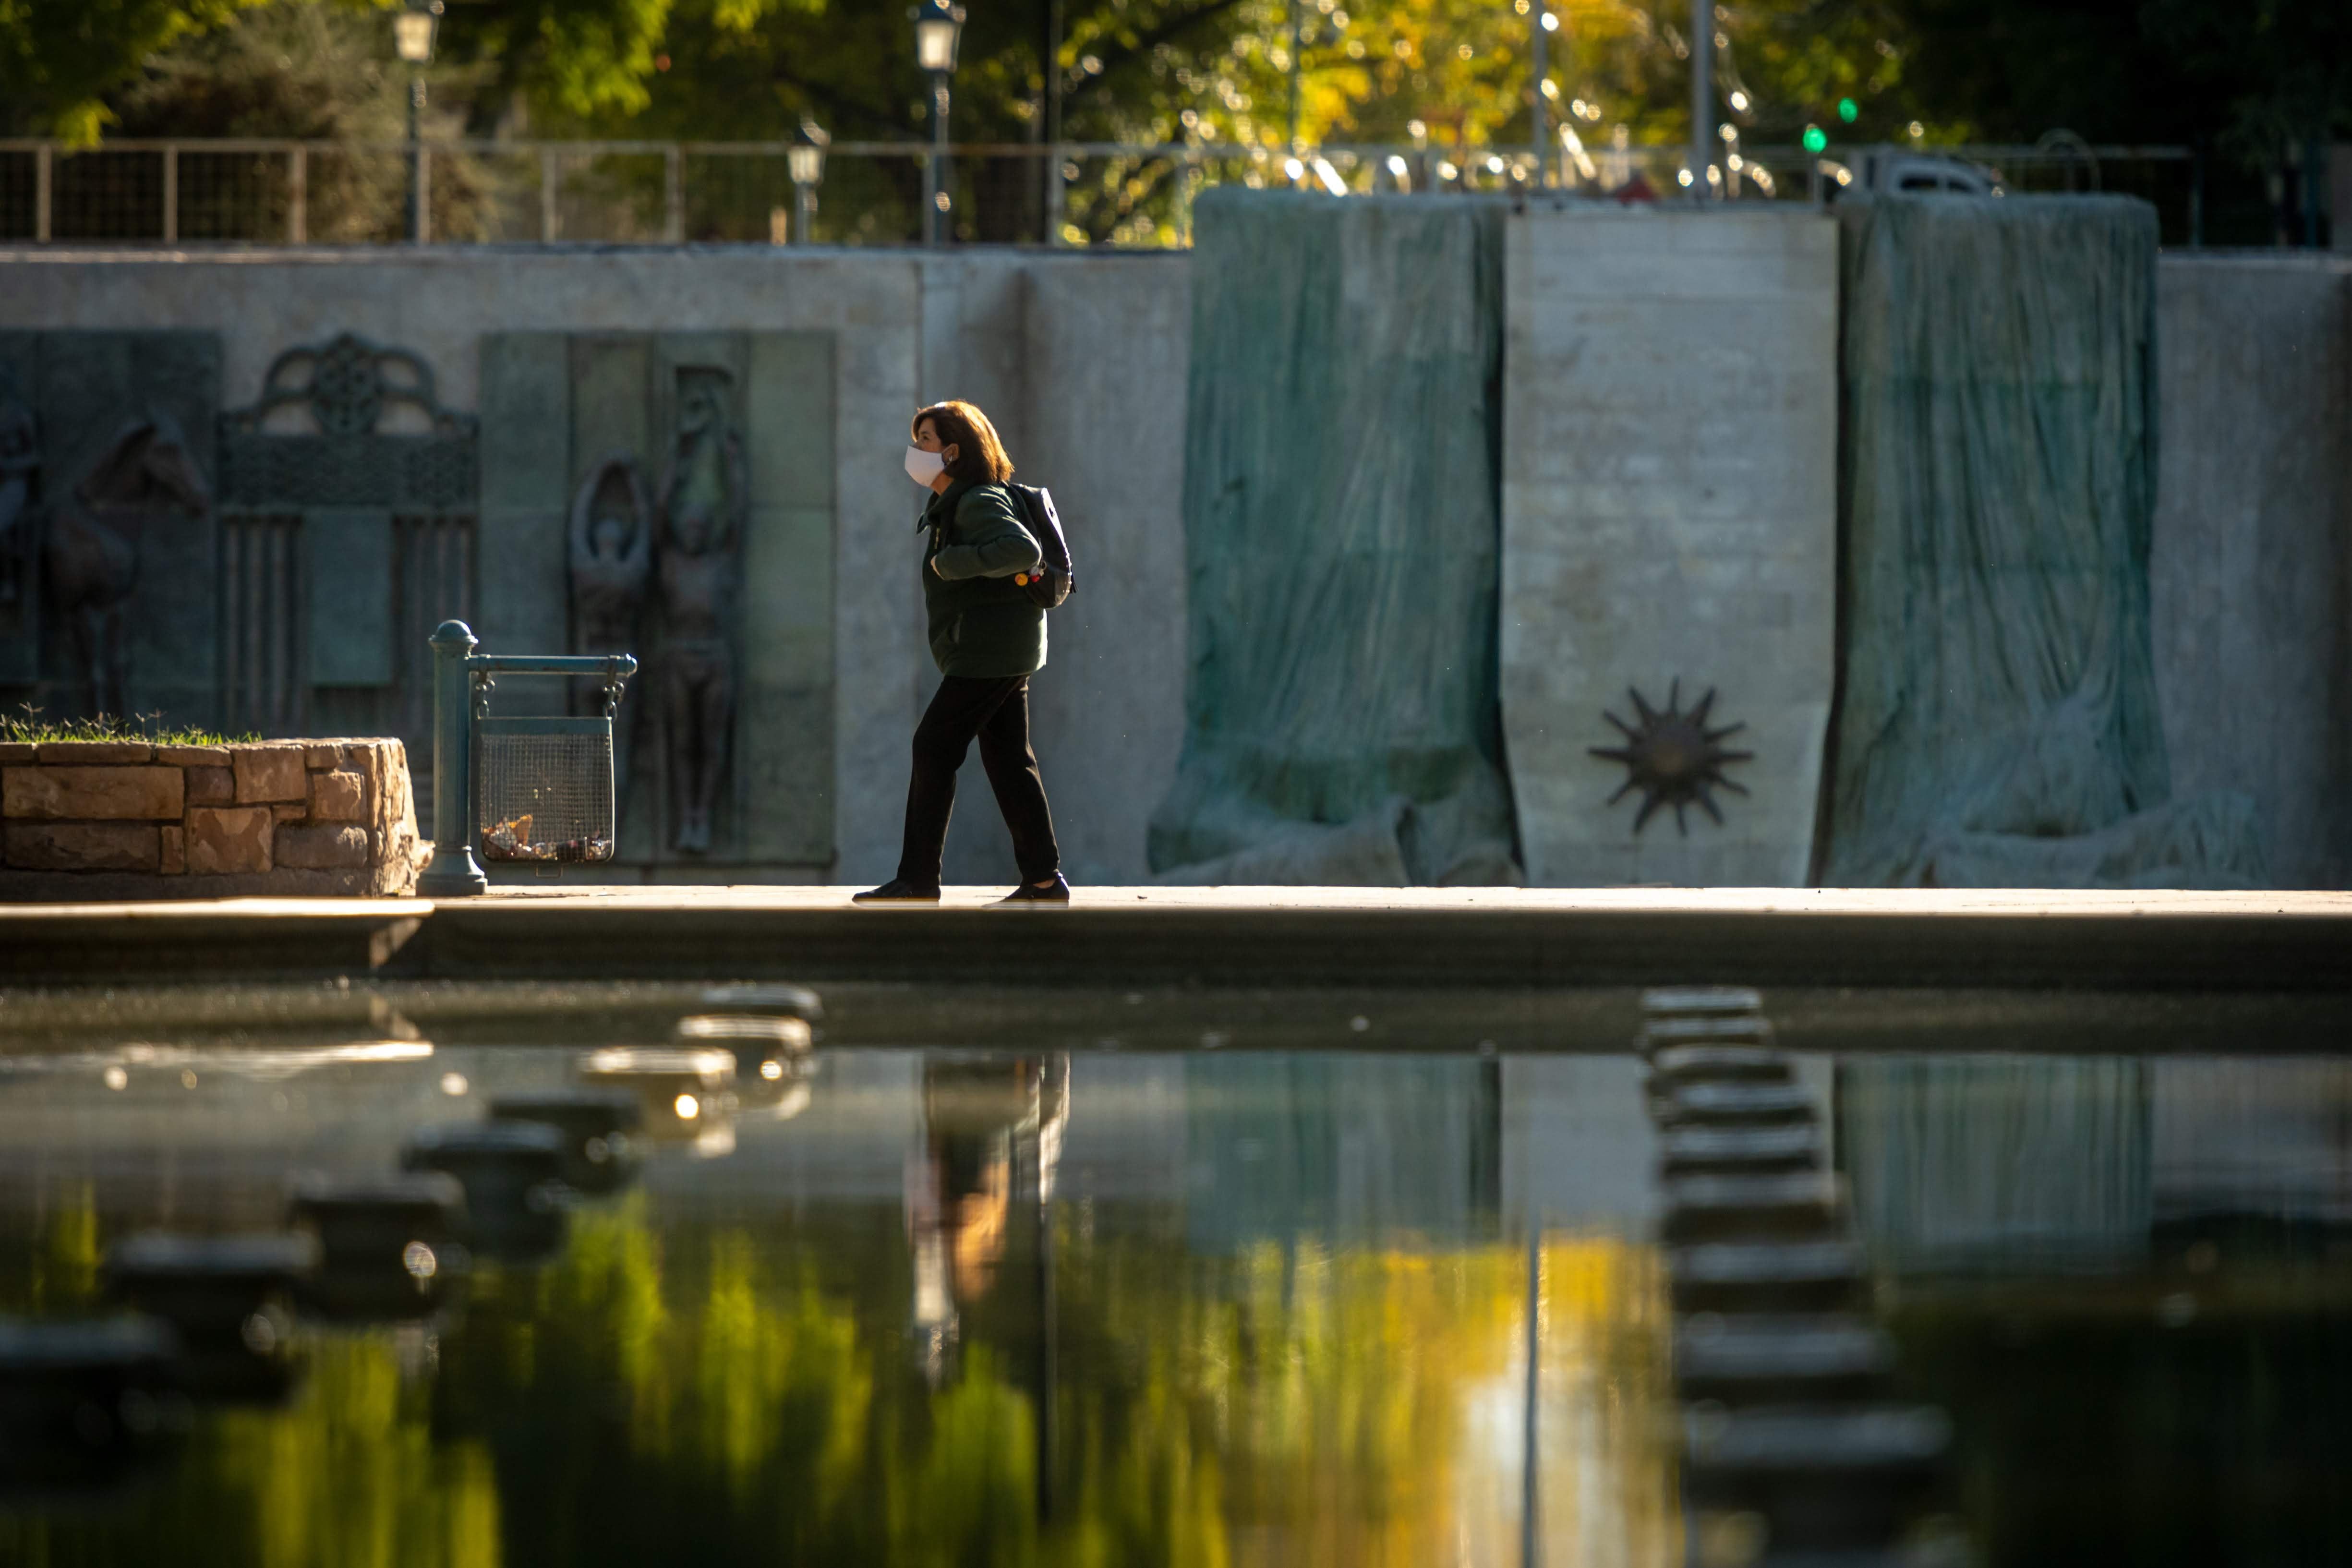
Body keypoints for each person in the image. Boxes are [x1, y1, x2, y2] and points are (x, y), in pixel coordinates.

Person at [855, 400, 1070, 906]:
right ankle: (1043, 880)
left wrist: (954, 563)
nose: (915, 449)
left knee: (933, 748)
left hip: (987, 652)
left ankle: (918, 880)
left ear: (952, 452)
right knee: (1008, 759)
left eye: (925, 440)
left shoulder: (976, 501)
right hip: (1000, 649)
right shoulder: (958, 503)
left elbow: (1024, 550)